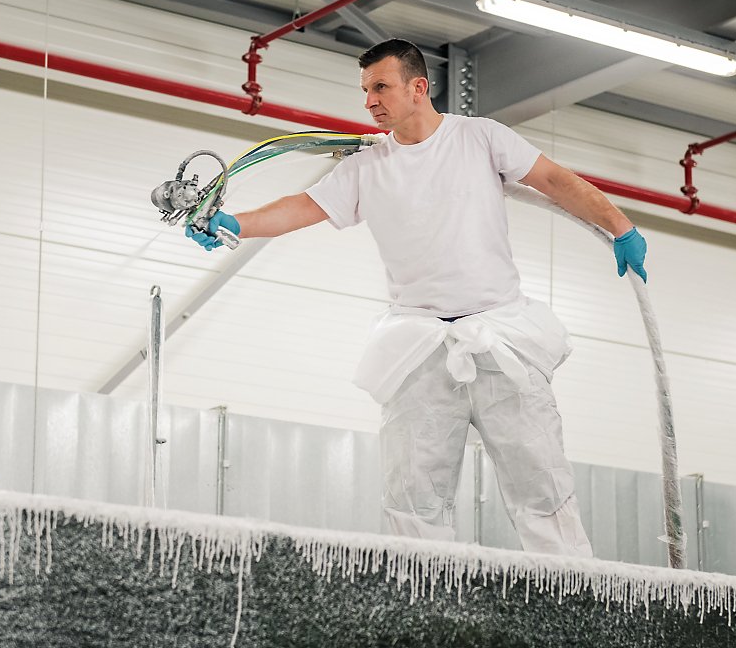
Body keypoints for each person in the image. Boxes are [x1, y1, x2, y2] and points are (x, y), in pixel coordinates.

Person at [185, 39, 647, 556]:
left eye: (380, 87)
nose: (370, 101)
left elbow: (555, 181)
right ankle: (421, 611)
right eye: (365, 90)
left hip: (501, 336)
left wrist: (619, 225)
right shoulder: (367, 166)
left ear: (418, 87)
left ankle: (574, 604)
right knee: (412, 495)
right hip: (419, 346)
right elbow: (302, 207)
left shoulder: (480, 138)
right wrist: (236, 223)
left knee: (540, 485)